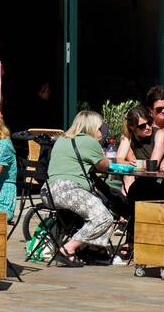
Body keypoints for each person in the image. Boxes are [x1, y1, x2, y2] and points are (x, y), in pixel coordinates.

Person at [46, 110, 117, 266]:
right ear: (91, 127)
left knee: (96, 208)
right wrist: (102, 153)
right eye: (100, 128)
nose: (101, 132)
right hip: (68, 190)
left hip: (48, 191)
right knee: (104, 217)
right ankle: (69, 248)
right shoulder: (89, 142)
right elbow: (105, 166)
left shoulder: (62, 139)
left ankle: (91, 249)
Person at [115, 105, 155, 195]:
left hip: (156, 177)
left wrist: (139, 164)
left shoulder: (158, 134)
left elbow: (154, 164)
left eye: (149, 122)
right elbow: (119, 160)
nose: (148, 127)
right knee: (129, 176)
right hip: (140, 177)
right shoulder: (129, 136)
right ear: (132, 127)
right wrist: (131, 165)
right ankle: (127, 206)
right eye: (142, 126)